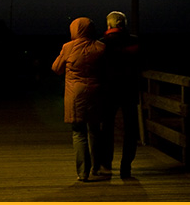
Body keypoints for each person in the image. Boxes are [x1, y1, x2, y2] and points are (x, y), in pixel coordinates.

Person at [52, 17, 108, 182]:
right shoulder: (101, 47)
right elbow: (107, 70)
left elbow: (56, 68)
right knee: (95, 130)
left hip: (75, 95)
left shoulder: (68, 47)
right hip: (96, 94)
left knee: (79, 132)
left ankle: (83, 172)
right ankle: (97, 167)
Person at [99, 11, 141, 178]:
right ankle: (126, 166)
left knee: (106, 128)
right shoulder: (135, 42)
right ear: (124, 24)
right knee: (130, 129)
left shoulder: (101, 44)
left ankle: (106, 164)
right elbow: (141, 64)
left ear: (109, 25)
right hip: (129, 89)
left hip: (108, 90)